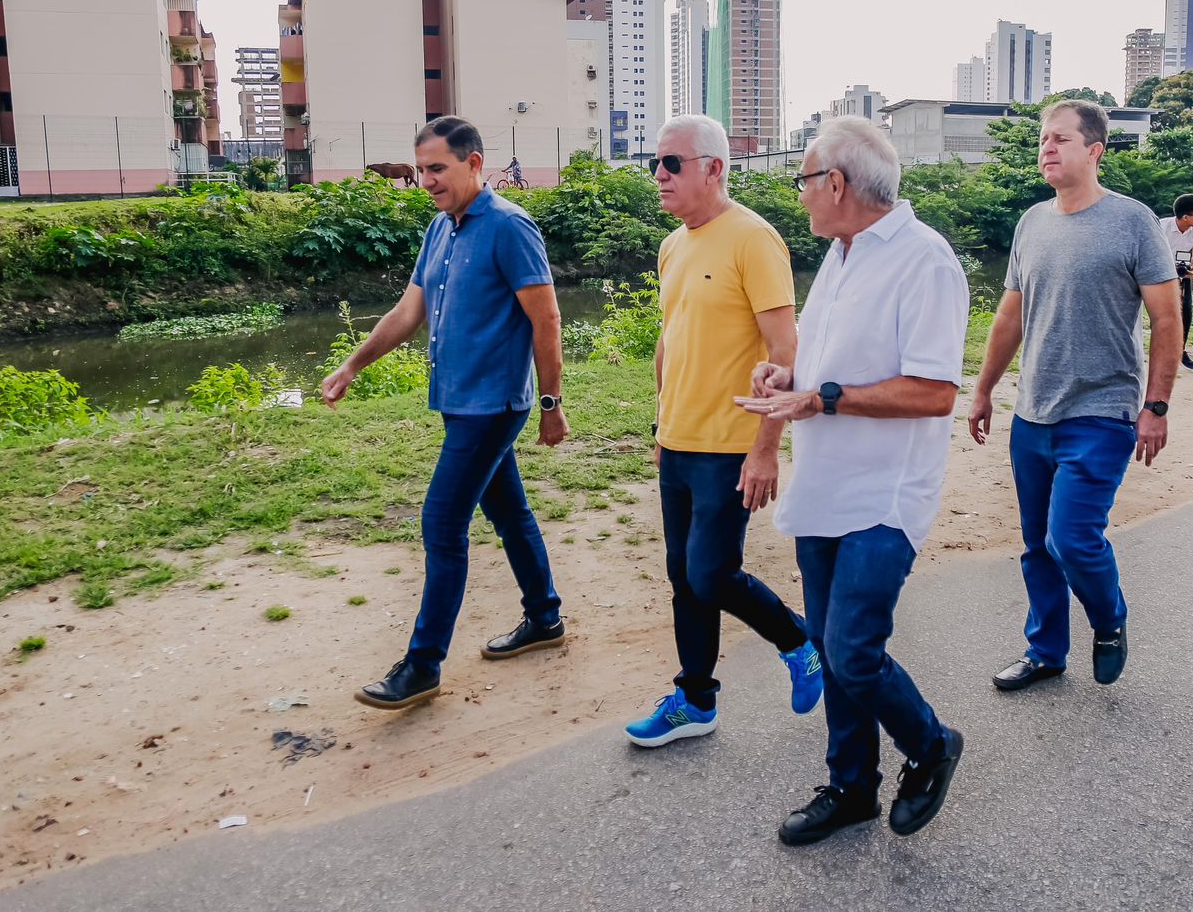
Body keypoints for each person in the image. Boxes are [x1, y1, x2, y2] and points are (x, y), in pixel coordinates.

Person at [735, 117, 967, 846]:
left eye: (804, 180)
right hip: (825, 486)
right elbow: (829, 359)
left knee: (852, 649)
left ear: (836, 182)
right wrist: (789, 377)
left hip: (885, 492)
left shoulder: (925, 261)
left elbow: (935, 392)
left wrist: (821, 398)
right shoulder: (840, 256)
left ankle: (930, 746)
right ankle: (851, 787)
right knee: (835, 652)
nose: (799, 195)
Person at [324, 116, 570, 710]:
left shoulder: (510, 228)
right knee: (509, 511)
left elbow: (547, 320)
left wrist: (551, 404)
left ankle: (423, 664)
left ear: (475, 164)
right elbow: (408, 312)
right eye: (422, 169)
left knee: (441, 524)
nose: (428, 180)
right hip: (459, 403)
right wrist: (353, 365)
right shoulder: (440, 228)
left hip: (494, 405)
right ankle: (544, 618)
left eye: (439, 168)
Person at [967, 100, 1181, 692]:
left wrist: (1156, 406)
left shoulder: (1133, 221)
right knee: (1037, 545)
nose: (1046, 148)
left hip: (1102, 409)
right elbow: (1010, 315)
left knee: (1072, 538)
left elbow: (1167, 319)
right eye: (1043, 140)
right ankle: (1046, 651)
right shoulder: (1031, 223)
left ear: (1095, 150)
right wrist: (984, 390)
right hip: (1032, 410)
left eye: (1060, 139)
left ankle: (1109, 619)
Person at [624, 113, 822, 748]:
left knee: (710, 573)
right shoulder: (673, 245)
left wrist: (766, 448)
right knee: (682, 575)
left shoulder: (754, 240)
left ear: (714, 168)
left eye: (672, 163)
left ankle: (798, 641)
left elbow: (785, 351)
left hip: (729, 445)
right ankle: (695, 700)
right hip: (679, 440)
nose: (659, 174)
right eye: (655, 163)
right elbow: (670, 339)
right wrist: (662, 424)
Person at [1160, 194, 1193, 370]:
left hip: (1183, 275)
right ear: (1185, 217)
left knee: (1186, 311)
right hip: (1161, 275)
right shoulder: (1161, 226)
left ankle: (1181, 349)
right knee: (1163, 315)